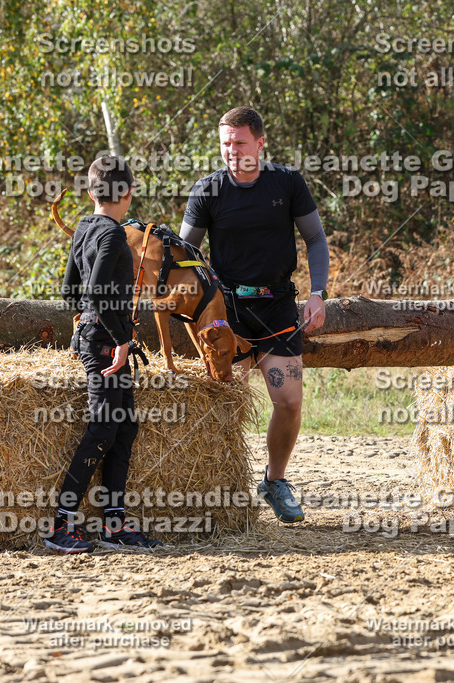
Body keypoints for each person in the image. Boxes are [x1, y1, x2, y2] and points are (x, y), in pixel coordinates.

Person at [180, 106, 329, 524]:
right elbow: (185, 254)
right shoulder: (208, 191)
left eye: (239, 142)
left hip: (278, 304)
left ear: (260, 143)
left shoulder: (287, 183)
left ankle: (275, 481)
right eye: (225, 143)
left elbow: (315, 239)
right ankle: (221, 493)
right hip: (226, 312)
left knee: (290, 401)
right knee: (226, 403)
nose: (231, 150)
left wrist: (318, 293)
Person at [45, 155, 163, 553]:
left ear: (94, 191)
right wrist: (120, 338)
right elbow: (95, 293)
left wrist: (90, 326)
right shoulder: (113, 235)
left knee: (124, 427)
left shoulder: (83, 227)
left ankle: (114, 524)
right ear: (128, 193)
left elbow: (69, 292)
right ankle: (60, 525)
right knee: (103, 427)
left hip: (98, 336)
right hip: (106, 343)